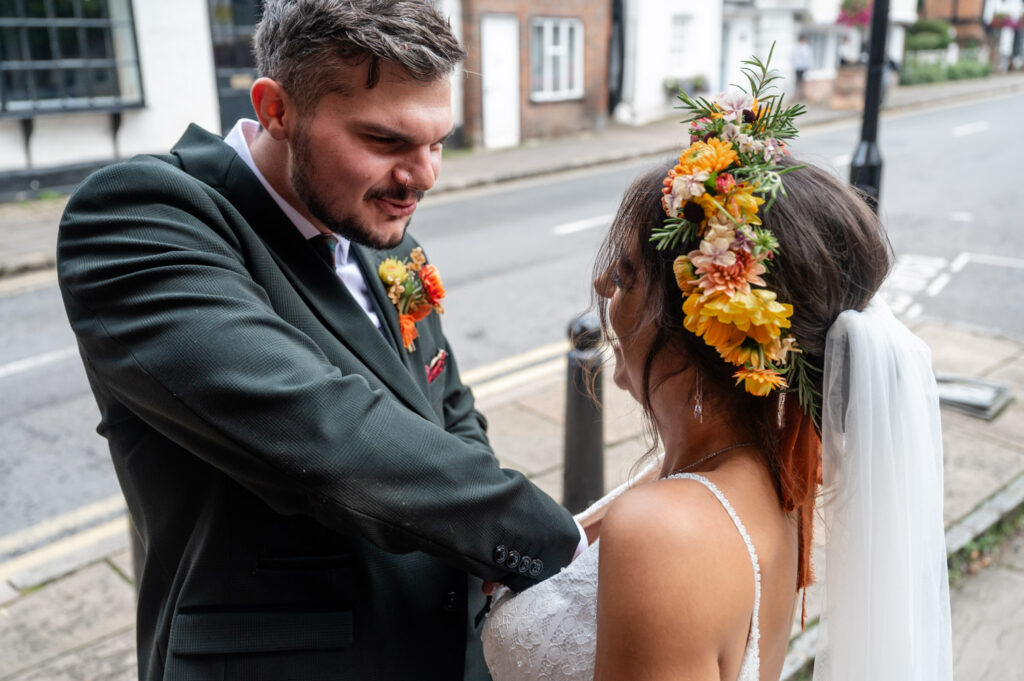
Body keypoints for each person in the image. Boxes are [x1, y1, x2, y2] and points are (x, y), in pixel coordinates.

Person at [56, 1, 584, 679]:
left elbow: (448, 408)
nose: (423, 176)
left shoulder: (380, 235)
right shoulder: (144, 215)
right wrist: (550, 541)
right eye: (387, 142)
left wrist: (486, 562)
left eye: (438, 141)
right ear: (277, 109)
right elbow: (319, 430)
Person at [482, 54, 953, 681]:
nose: (600, 283)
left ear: (706, 327)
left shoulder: (669, 533)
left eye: (625, 275)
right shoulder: (763, 465)